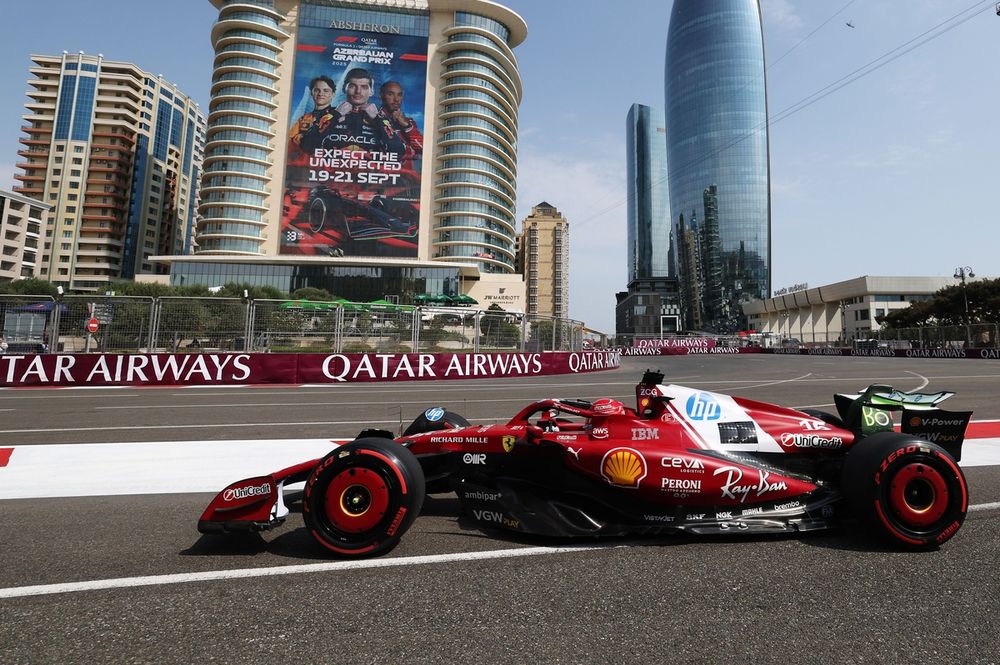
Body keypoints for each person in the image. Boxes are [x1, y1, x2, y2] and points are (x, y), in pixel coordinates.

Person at [319, 68, 405, 155]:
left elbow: (398, 152)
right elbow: (310, 143)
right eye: (352, 86)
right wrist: (336, 115)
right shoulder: (328, 114)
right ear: (344, 88)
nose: (358, 91)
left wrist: (377, 119)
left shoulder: (383, 119)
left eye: (364, 87)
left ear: (371, 91)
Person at [289, 75, 339, 155]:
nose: (320, 94)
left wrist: (302, 136)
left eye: (326, 91)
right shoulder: (303, 119)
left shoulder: (338, 115)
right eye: (317, 90)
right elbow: (290, 144)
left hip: (330, 160)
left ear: (333, 94)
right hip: (307, 161)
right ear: (311, 93)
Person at [378, 80, 423, 159]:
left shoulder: (409, 123)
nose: (396, 99)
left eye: (399, 95)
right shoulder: (372, 119)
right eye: (390, 94)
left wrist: (407, 127)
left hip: (405, 167)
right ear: (381, 96)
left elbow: (422, 148)